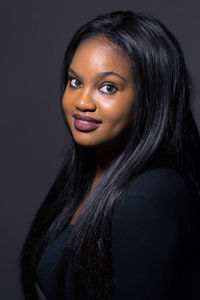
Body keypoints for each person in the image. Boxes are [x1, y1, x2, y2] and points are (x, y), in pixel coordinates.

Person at [20, 10, 200, 300]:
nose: (82, 102)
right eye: (75, 82)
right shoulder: (87, 172)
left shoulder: (146, 198)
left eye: (108, 87)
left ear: (149, 98)